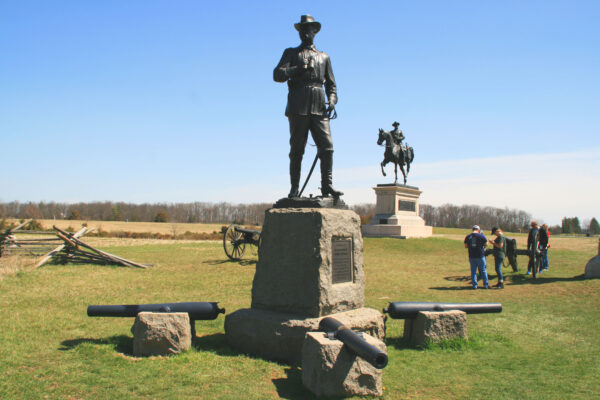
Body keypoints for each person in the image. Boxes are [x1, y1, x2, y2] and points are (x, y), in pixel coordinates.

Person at [273, 14, 343, 199]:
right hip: (298, 105)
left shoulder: (324, 57)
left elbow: (331, 84)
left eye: (308, 30)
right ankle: (294, 189)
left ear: (315, 32)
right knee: (297, 149)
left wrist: (332, 100)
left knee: (327, 147)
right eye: (302, 31)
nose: (305, 34)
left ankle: (327, 186)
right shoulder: (291, 53)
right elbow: (277, 75)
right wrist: (297, 70)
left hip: (320, 106)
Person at [464, 225, 489, 289]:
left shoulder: (468, 236)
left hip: (472, 256)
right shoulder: (481, 236)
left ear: (472, 229)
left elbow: (466, 246)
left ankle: (474, 285)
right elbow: (486, 244)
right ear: (478, 230)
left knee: (473, 271)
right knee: (483, 270)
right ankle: (485, 284)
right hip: (480, 255)